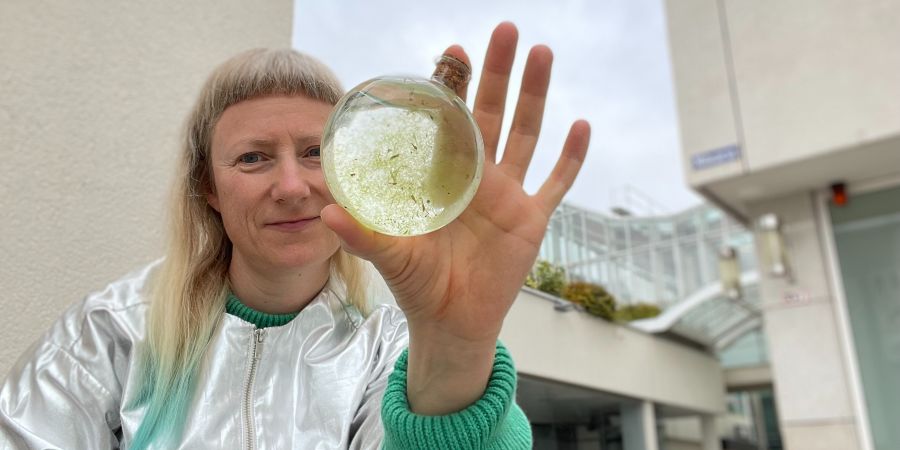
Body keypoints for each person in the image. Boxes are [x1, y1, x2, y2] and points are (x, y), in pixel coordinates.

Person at [0, 22, 590, 449]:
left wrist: (457, 351)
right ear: (208, 188)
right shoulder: (108, 335)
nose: (291, 186)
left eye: (315, 153)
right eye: (253, 158)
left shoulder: (392, 354)